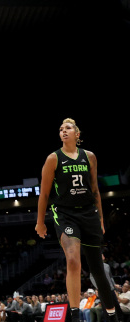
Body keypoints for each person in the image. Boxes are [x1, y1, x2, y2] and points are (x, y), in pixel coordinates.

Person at [35, 118, 119, 322]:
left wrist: (100, 219)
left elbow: (96, 191)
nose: (63, 131)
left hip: (89, 214)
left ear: (77, 134)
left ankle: (112, 314)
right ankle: (74, 315)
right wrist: (40, 222)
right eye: (61, 129)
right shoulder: (53, 159)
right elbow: (44, 194)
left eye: (68, 128)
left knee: (97, 269)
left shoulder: (89, 157)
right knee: (73, 259)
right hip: (65, 214)